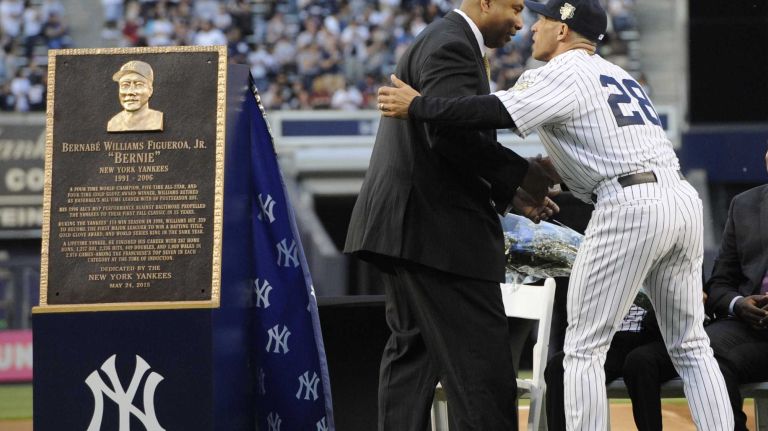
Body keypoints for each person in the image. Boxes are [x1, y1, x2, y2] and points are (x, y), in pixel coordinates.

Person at [375, 0, 735, 428]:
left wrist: (419, 106)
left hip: (630, 208)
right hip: (679, 200)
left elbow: (489, 111)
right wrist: (549, 175)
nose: (532, 27)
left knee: (583, 348)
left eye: (543, 20)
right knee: (691, 346)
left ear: (563, 31)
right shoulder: (619, 75)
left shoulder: (562, 71)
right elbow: (604, 150)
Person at [343, 0, 560, 429]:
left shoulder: (439, 39)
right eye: (515, 8)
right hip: (438, 237)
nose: (520, 22)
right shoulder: (452, 45)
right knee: (481, 370)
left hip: (408, 230)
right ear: (483, 3)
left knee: (413, 359)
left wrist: (511, 188)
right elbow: (450, 134)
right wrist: (523, 175)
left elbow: (445, 137)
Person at [614, 147, 768, 431]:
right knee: (685, 358)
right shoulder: (744, 205)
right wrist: (738, 303)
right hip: (745, 326)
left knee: (713, 362)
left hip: (743, 343)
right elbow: (720, 283)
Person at [107, 60, 163, 132]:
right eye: (125, 85)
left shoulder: (158, 120)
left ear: (150, 91)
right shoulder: (113, 123)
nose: (130, 92)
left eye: (139, 85)